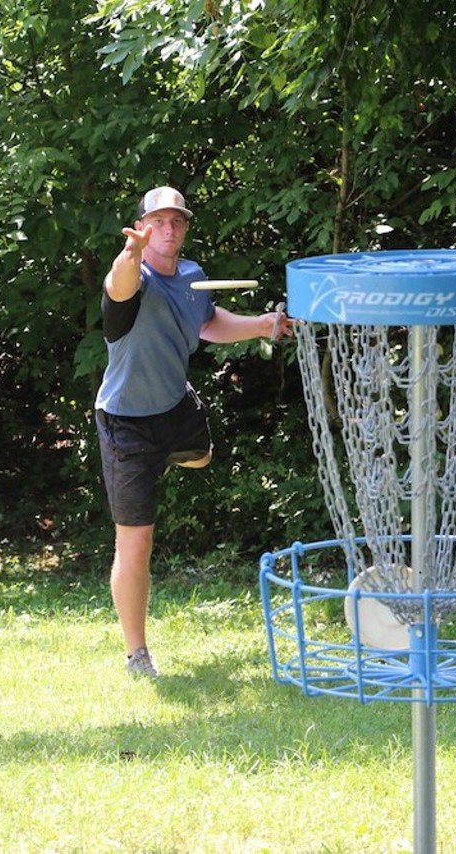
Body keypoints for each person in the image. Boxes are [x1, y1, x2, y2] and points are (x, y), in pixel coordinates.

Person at [95, 186, 292, 678]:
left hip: (175, 406)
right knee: (135, 544)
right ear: (142, 226)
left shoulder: (191, 276)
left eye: (176, 221)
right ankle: (137, 655)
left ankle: (186, 450)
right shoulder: (132, 277)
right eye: (157, 221)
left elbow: (208, 322)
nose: (168, 229)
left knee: (199, 453)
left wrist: (263, 324)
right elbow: (118, 288)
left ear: (184, 227)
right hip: (127, 424)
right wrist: (129, 253)